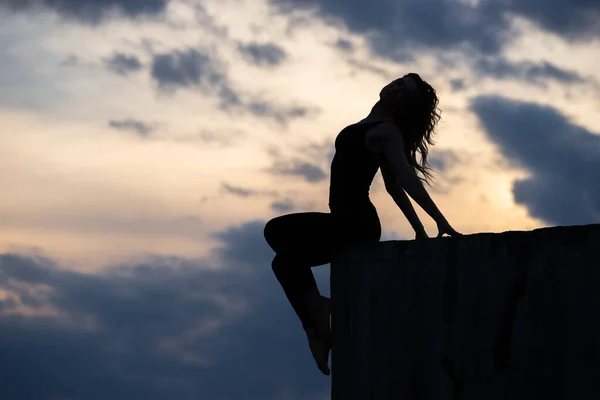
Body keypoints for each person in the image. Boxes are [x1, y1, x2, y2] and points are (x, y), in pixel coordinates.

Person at [263, 73, 463, 376]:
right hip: (345, 221)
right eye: (398, 81)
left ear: (403, 104)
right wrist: (419, 230)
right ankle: (316, 321)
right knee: (284, 261)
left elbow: (406, 180)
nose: (395, 86)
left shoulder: (387, 131)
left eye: (403, 90)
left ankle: (317, 317)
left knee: (277, 234)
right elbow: (393, 187)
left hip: (356, 225)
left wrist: (439, 220)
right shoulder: (373, 127)